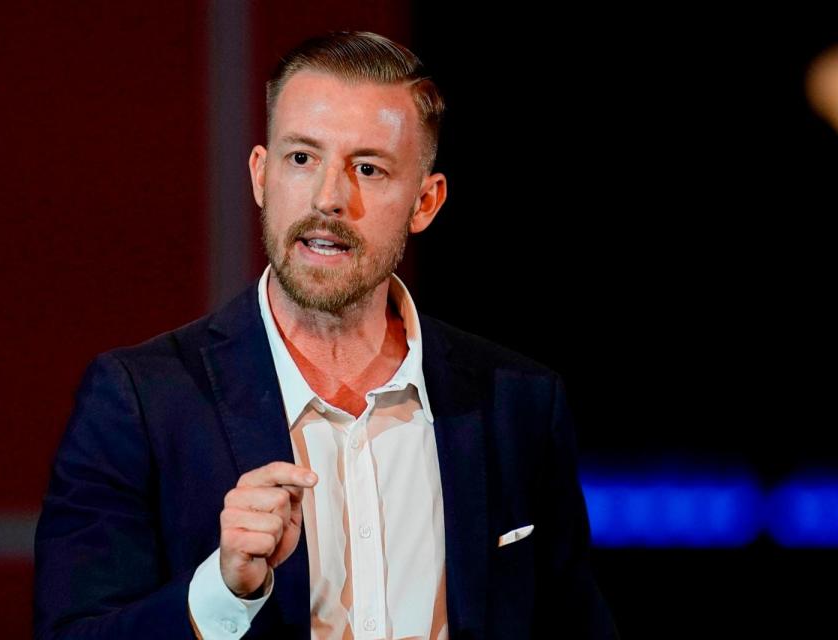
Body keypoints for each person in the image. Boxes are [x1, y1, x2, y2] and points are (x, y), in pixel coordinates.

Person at [33, 30, 618, 639]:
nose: (329, 198)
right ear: (262, 176)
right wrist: (223, 592)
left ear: (426, 202)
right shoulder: (141, 401)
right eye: (302, 158)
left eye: (368, 168)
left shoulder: (517, 402)